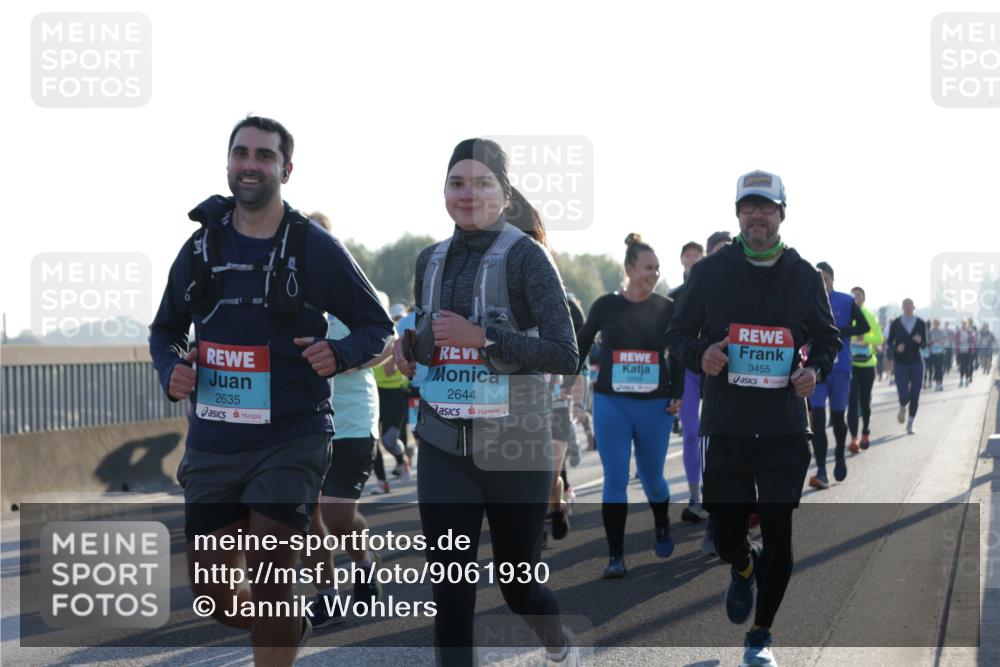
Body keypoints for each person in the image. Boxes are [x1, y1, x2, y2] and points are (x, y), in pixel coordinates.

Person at [148, 117, 393, 665]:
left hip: (292, 435)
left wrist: (341, 353)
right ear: (228, 162)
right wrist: (171, 371)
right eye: (241, 153)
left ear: (286, 167)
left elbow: (379, 327)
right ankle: (290, 625)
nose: (250, 164)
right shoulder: (198, 247)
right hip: (213, 443)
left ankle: (279, 626)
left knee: (269, 575)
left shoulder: (313, 247)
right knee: (212, 595)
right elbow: (165, 331)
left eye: (264, 155)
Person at [393, 138, 580, 666]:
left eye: (481, 183)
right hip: (443, 444)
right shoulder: (428, 259)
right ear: (444, 191)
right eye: (457, 183)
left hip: (514, 447)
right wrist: (412, 351)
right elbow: (434, 339)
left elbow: (565, 353)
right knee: (451, 593)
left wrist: (486, 338)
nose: (467, 193)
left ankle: (555, 637)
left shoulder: (527, 257)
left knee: (518, 586)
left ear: (503, 193)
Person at [666, 170, 840, 667]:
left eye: (766, 207)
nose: (757, 216)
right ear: (737, 214)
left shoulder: (804, 275)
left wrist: (814, 370)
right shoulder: (712, 272)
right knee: (725, 534)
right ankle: (742, 566)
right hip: (729, 425)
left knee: (781, 529)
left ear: (782, 213)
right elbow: (676, 334)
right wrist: (702, 354)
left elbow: (828, 340)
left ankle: (761, 636)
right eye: (748, 208)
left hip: (786, 425)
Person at [299, 212, 391, 627]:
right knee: (306, 516)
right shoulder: (286, 296)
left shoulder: (355, 291)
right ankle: (327, 594)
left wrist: (347, 357)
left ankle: (363, 561)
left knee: (336, 514)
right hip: (302, 423)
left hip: (353, 420)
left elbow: (387, 343)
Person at [576, 233, 684, 578]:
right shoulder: (606, 305)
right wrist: (565, 381)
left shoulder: (666, 308)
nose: (653, 274)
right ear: (629, 268)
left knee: (653, 479)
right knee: (616, 478)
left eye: (657, 268)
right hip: (612, 402)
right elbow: (579, 346)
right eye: (647, 268)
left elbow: (678, 353)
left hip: (654, 405)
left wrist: (677, 393)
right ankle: (615, 556)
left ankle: (661, 520)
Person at [806, 262, 869, 489]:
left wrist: (839, 332)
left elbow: (863, 327)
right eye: (819, 279)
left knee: (838, 418)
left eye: (826, 279)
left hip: (841, 367)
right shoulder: (808, 301)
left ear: (832, 280)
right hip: (816, 369)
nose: (823, 283)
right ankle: (821, 470)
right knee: (819, 420)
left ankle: (840, 456)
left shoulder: (846, 301)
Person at [669, 241, 710, 523]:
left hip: (716, 369)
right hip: (687, 372)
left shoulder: (718, 288)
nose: (692, 260)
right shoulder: (673, 297)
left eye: (698, 256)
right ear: (682, 260)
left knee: (714, 435)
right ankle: (695, 497)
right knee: (692, 433)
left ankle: (716, 493)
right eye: (688, 256)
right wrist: (673, 389)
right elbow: (671, 341)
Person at [847, 286, 883, 452]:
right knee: (852, 402)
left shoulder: (870, 316)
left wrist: (865, 338)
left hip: (868, 365)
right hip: (851, 365)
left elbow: (880, 338)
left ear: (864, 298)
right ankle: (853, 438)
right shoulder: (847, 313)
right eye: (853, 295)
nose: (856, 297)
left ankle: (865, 433)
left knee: (865, 402)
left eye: (859, 295)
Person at [885, 299, 927, 434]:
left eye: (910, 304)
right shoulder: (896, 323)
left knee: (915, 393)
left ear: (914, 307)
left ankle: (910, 423)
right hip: (901, 362)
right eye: (905, 304)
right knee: (903, 393)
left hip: (916, 361)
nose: (908, 307)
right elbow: (889, 343)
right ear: (902, 307)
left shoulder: (920, 323)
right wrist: (897, 347)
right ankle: (903, 405)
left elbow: (925, 344)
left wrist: (920, 341)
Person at [927, 319, 947, 391]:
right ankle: (936, 384)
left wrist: (941, 341)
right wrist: (932, 341)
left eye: (937, 324)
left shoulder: (942, 332)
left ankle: (940, 384)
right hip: (932, 353)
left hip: (940, 353)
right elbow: (927, 342)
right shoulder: (930, 332)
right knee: (935, 369)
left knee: (940, 369)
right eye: (935, 324)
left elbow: (945, 341)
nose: (936, 325)